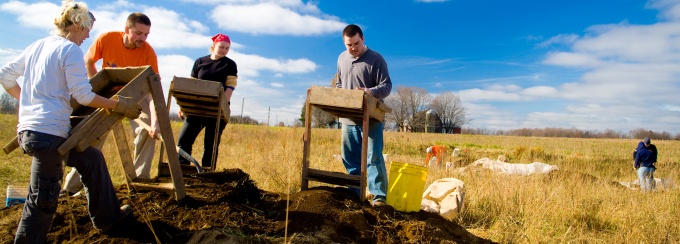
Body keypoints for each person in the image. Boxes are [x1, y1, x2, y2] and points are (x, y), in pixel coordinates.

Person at [0, 1, 137, 242]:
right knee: (43, 200)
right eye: (87, 29)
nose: (88, 35)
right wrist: (119, 105)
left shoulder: (37, 46)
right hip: (48, 135)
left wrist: (29, 101)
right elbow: (83, 95)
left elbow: (5, 76)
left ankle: (108, 217)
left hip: (34, 132)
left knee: (91, 158)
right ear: (76, 25)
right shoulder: (69, 50)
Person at [62, 12, 160, 195]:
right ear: (126, 29)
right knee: (93, 133)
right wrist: (97, 87)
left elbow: (153, 90)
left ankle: (140, 180)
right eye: (138, 33)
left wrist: (155, 121)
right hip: (109, 94)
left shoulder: (148, 52)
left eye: (146, 35)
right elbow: (89, 61)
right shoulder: (107, 39)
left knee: (146, 131)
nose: (142, 39)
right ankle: (72, 187)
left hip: (136, 96)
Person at [335, 24, 392, 207]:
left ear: (363, 39)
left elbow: (386, 86)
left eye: (356, 44)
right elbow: (338, 84)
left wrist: (369, 91)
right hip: (348, 119)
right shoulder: (341, 59)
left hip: (371, 118)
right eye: (349, 45)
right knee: (350, 158)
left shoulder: (376, 59)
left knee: (373, 157)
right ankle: (355, 194)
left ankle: (378, 197)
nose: (353, 48)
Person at [177, 33, 236, 168]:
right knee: (183, 141)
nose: (224, 50)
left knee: (210, 146)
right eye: (221, 47)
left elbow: (230, 86)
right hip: (196, 108)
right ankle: (182, 171)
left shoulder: (230, 64)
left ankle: (207, 176)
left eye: (227, 48)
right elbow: (191, 84)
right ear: (214, 45)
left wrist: (223, 106)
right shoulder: (200, 62)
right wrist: (183, 107)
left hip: (217, 112)